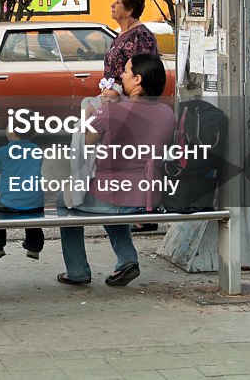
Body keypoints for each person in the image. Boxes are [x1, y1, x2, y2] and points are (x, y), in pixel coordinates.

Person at [58, 54, 176, 288]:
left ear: (138, 80)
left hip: (117, 197)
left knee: (66, 198)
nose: (121, 75)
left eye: (127, 71)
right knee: (112, 195)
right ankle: (126, 260)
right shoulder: (168, 114)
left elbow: (84, 141)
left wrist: (90, 109)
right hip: (151, 196)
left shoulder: (111, 112)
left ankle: (78, 270)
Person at [101, 0, 161, 232]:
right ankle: (128, 207)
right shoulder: (121, 34)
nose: (112, 6)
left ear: (130, 9)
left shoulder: (141, 37)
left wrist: (120, 92)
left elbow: (144, 75)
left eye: (117, 3)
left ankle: (145, 214)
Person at [0, 131, 45, 261]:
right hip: (34, 201)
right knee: (34, 218)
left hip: (9, 203)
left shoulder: (2, 151)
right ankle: (34, 247)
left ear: (12, 133)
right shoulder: (37, 150)